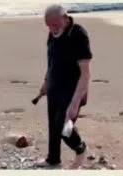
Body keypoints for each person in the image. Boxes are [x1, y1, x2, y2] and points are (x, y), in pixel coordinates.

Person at [36, 4, 93, 169]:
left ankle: (81, 149)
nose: (52, 29)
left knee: (65, 128)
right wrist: (46, 82)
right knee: (53, 126)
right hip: (55, 87)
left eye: (55, 24)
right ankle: (53, 159)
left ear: (65, 18)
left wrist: (75, 103)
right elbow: (51, 62)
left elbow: (85, 73)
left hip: (73, 90)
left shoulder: (78, 35)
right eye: (49, 26)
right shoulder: (52, 34)